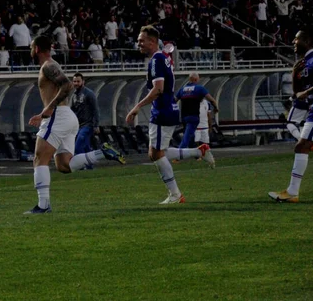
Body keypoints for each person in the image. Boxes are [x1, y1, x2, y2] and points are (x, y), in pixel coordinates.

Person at [25, 36, 126, 214]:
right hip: (65, 117)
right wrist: (46, 112)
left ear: (38, 49)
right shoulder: (49, 65)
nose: (30, 51)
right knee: (64, 165)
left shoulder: (49, 65)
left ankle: (43, 205)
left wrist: (48, 108)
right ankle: (101, 153)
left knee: (39, 158)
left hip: (59, 116)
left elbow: (67, 85)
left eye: (32, 47)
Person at [126, 26, 215, 205]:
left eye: (142, 40)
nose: (139, 43)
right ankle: (200, 151)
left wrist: (137, 107)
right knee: (160, 151)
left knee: (156, 153)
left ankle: (175, 194)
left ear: (152, 41)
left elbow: (158, 89)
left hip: (163, 110)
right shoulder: (163, 57)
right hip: (167, 109)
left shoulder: (157, 60)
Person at [269, 30, 313, 203]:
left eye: (297, 39)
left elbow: (304, 93)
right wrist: (294, 76)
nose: (293, 41)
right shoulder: (303, 64)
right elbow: (297, 95)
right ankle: (292, 192)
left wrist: (307, 91)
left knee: (302, 146)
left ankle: (292, 192)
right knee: (302, 146)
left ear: (307, 40)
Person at [174, 73, 219, 149]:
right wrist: (215, 108)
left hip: (184, 117)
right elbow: (212, 100)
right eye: (198, 79)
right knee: (187, 137)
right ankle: (179, 153)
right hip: (193, 117)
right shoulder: (199, 88)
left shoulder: (182, 89)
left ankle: (195, 155)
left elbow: (174, 101)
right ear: (195, 79)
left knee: (191, 135)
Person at [70, 73, 100, 170]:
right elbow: (71, 110)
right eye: (74, 81)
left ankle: (81, 166)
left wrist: (96, 125)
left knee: (78, 146)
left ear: (83, 82)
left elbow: (95, 110)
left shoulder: (89, 93)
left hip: (88, 125)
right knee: (86, 147)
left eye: (78, 81)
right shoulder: (74, 95)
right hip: (78, 126)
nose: (76, 83)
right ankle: (90, 167)